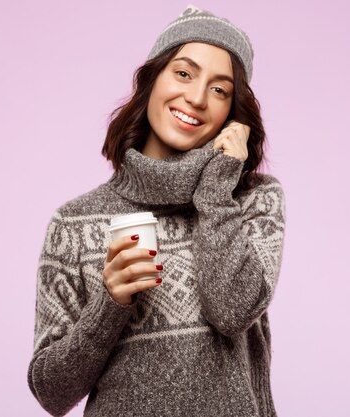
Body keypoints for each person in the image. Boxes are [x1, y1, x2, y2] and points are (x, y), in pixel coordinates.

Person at [28, 5, 285, 417]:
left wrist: (217, 191)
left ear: (231, 114)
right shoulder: (73, 223)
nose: (197, 98)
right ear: (152, 80)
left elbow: (232, 311)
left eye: (220, 90)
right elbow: (51, 394)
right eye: (183, 73)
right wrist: (110, 303)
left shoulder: (253, 200)